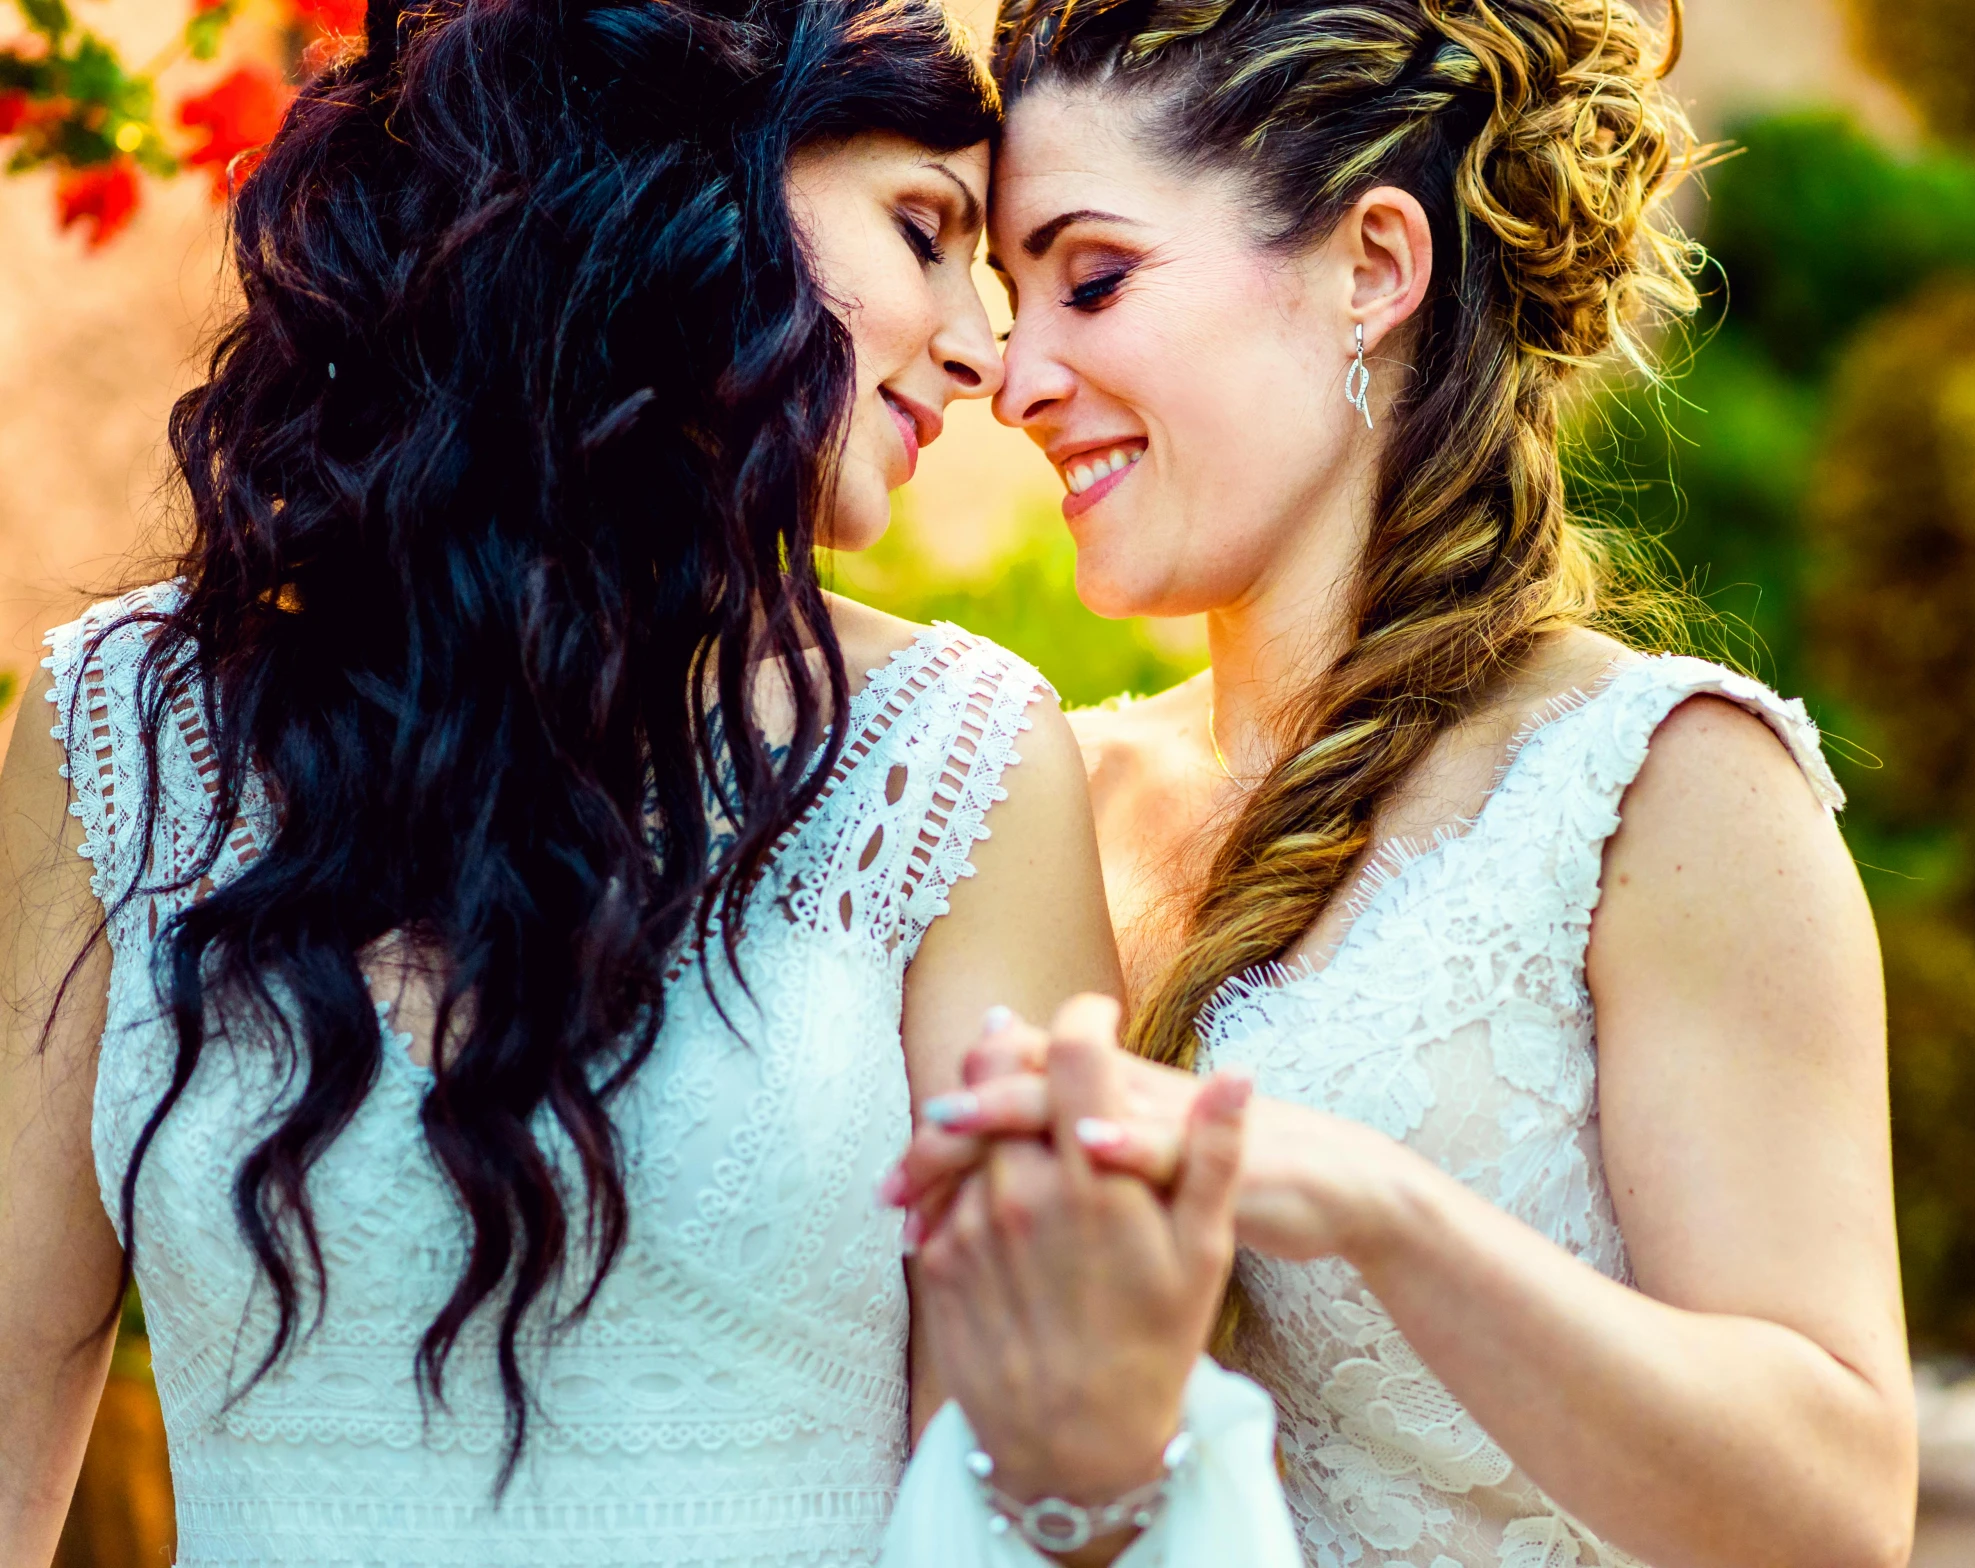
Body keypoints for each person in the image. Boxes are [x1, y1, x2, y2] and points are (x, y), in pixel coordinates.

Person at [0, 1, 1280, 1563]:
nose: (984, 346)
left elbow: (1024, 1478)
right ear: (674, 190)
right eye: (925, 232)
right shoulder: (123, 721)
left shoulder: (958, 759)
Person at [887, 0, 1920, 1564]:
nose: (1014, 377)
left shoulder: (1662, 791)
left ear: (1372, 266)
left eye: (1091, 278)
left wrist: (1381, 1206)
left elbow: (1838, 1517)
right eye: (1005, 297)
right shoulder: (1042, 798)